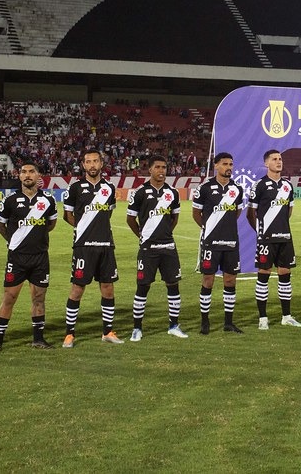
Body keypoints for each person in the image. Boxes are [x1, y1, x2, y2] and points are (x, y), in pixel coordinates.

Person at [0, 160, 57, 353]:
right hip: (17, 258)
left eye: (31, 172)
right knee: (9, 297)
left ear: (38, 176)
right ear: (19, 176)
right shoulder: (9, 200)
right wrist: (13, 241)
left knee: (39, 298)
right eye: (24, 172)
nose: (27, 175)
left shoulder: (48, 200)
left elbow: (51, 224)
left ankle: (38, 339)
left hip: (40, 257)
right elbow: (0, 225)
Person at [62, 149, 123, 348]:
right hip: (84, 247)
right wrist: (83, 229)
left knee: (108, 289)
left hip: (105, 245)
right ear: (83, 165)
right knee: (77, 289)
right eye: (88, 162)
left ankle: (107, 331)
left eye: (95, 161)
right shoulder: (75, 188)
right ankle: (69, 334)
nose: (92, 165)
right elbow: (68, 215)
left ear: (101, 163)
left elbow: (108, 214)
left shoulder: (109, 188)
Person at [126, 154, 188, 341]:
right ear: (150, 169)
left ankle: (174, 325)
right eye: (158, 167)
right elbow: (130, 219)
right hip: (148, 248)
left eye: (164, 167)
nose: (162, 171)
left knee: (173, 285)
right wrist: (143, 236)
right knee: (143, 286)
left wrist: (165, 233)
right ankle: (137, 328)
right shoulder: (140, 192)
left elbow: (174, 218)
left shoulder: (173, 193)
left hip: (168, 247)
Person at [246, 150, 301, 329]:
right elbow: (250, 214)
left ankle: (286, 316)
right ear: (266, 164)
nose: (278, 162)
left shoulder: (288, 186)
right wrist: (261, 231)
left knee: (285, 275)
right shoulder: (259, 185)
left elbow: (289, 211)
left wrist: (281, 227)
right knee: (263, 276)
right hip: (266, 239)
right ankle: (263, 318)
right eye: (274, 159)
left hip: (285, 238)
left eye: (280, 159)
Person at [192, 152, 244, 334]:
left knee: (230, 281)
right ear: (216, 166)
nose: (228, 167)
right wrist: (209, 229)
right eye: (224, 164)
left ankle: (228, 322)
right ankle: (205, 322)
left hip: (231, 242)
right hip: (211, 243)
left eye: (231, 164)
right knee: (208, 280)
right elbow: (196, 214)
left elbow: (237, 212)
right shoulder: (205, 188)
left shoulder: (237, 189)